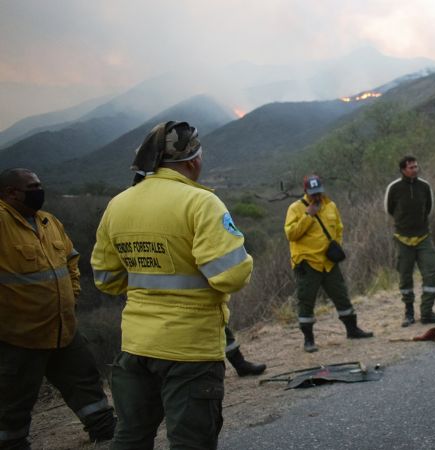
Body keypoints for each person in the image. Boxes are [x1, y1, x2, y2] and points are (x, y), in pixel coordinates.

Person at [91, 121, 254, 449]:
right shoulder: (201, 203)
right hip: (190, 348)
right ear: (193, 160)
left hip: (136, 345)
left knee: (130, 437)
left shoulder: (118, 204)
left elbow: (106, 279)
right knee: (191, 441)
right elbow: (232, 275)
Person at [0, 168, 116, 449]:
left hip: (62, 326)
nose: (39, 191)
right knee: (14, 395)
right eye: (32, 187)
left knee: (84, 378)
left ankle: (104, 429)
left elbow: (71, 260)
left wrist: (71, 294)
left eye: (39, 185)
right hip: (19, 334)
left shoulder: (48, 221)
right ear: (11, 192)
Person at [284, 175, 373, 353]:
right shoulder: (295, 208)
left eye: (318, 193)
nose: (316, 197)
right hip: (308, 263)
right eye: (313, 194)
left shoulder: (331, 206)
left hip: (329, 262)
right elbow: (291, 234)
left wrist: (335, 245)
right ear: (306, 192)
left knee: (341, 295)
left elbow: (338, 227)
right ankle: (309, 340)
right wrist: (308, 215)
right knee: (306, 301)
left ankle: (352, 330)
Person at [384, 156, 435, 327]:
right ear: (403, 170)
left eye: (416, 166)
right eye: (411, 167)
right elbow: (389, 209)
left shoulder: (425, 186)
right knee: (405, 277)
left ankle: (427, 313)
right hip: (402, 239)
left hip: (423, 237)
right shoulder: (394, 188)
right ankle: (409, 313)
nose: (415, 170)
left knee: (431, 272)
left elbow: (429, 208)